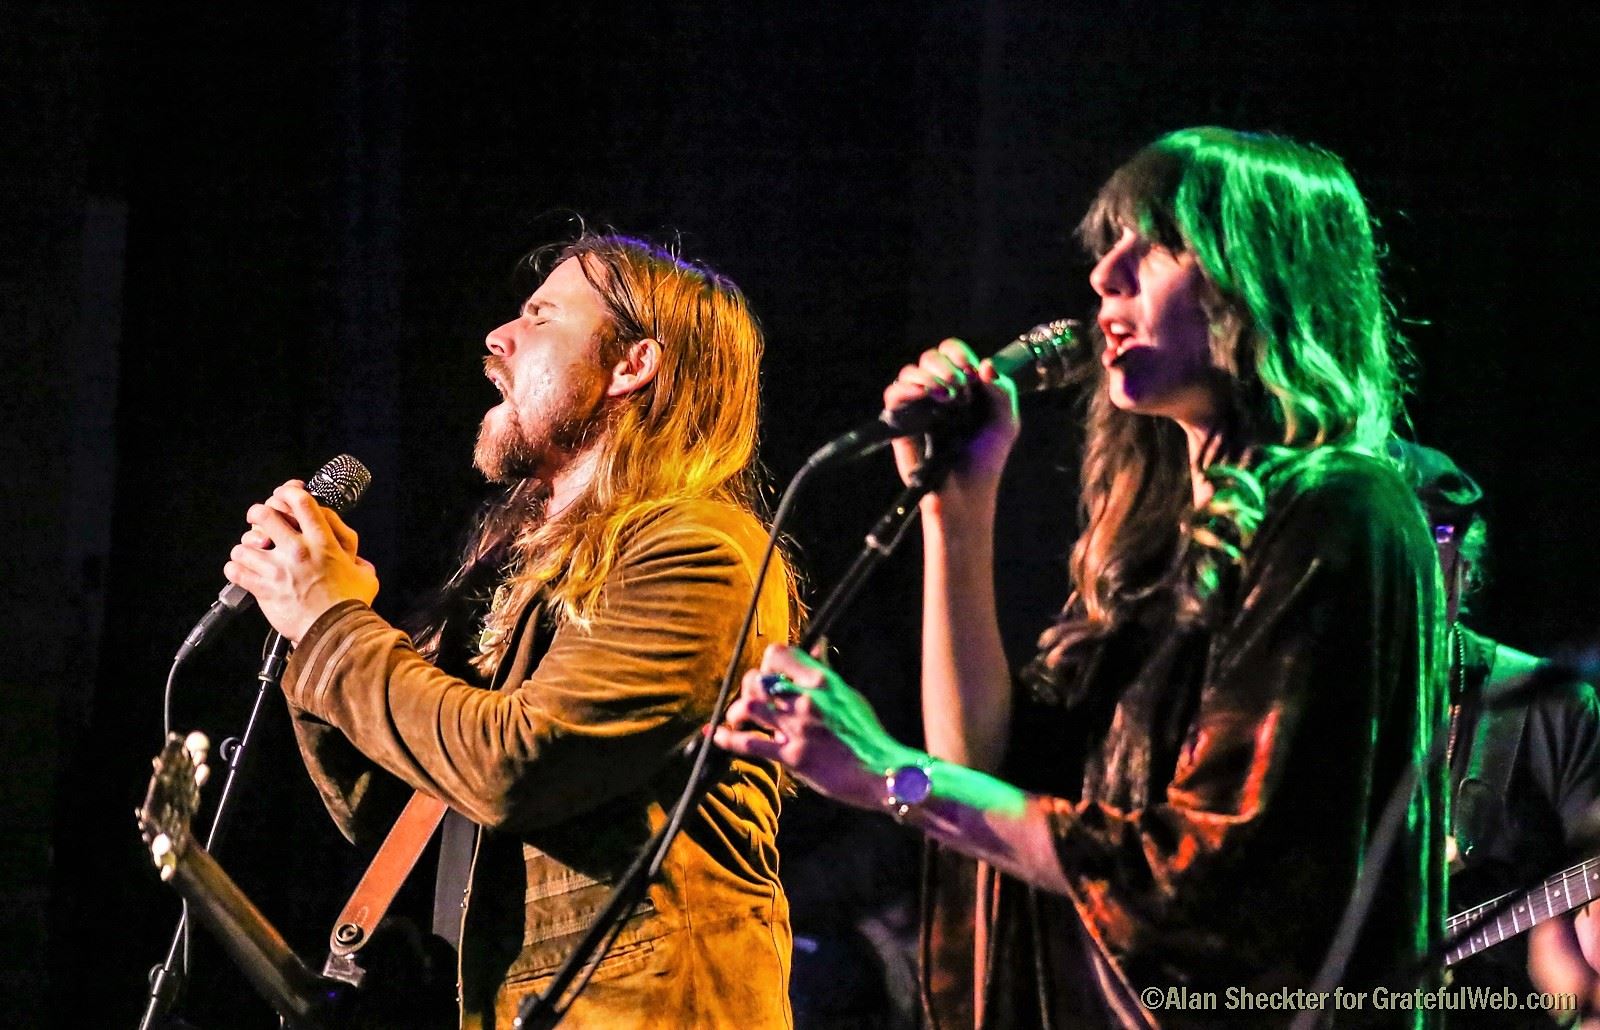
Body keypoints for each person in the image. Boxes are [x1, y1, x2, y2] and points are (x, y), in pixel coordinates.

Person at [717, 127, 1447, 1027]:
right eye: (1110, 249)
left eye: (1159, 245)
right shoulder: (1150, 552)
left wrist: (886, 775)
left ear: (1264, 279)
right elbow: (981, 766)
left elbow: (1208, 878)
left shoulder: (1342, 510)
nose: (1107, 276)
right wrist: (957, 504)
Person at [223, 233, 796, 1028]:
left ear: (633, 366)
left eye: (540, 315)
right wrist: (304, 613)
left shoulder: (700, 549)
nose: (499, 337)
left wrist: (332, 623)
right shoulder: (534, 574)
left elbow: (513, 767)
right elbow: (399, 798)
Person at [1395, 442, 1600, 1028]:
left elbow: (1573, 953)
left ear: (1464, 554)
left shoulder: (1549, 706)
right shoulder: (1294, 705)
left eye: (1436, 533)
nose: (1415, 559)